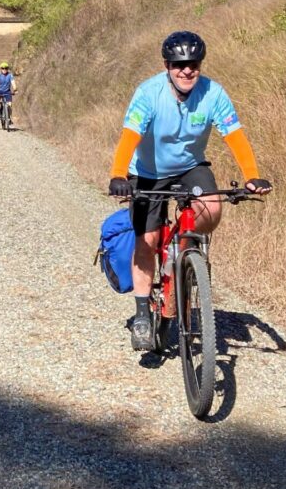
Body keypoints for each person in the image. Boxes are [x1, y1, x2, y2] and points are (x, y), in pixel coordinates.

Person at [107, 31, 272, 351]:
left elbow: (234, 136)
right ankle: (143, 314)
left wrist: (251, 176)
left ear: (200, 64)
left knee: (211, 209)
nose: (186, 70)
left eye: (193, 64)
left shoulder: (213, 94)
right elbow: (129, 137)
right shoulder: (149, 93)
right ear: (167, 65)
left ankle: (184, 256)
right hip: (149, 173)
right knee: (148, 240)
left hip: (190, 167)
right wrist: (118, 174)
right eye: (179, 64)